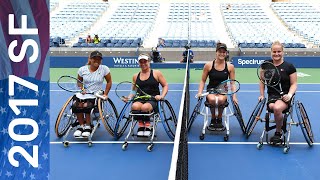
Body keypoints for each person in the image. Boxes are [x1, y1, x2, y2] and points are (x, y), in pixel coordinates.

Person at [258, 41, 297, 144]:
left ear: (283, 52)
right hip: (272, 96)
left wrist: (289, 95)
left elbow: (294, 84)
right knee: (274, 107)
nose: (276, 54)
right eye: (274, 51)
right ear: (271, 52)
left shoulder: (289, 67)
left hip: (285, 96)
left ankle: (278, 132)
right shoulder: (266, 65)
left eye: (279, 51)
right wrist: (262, 95)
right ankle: (279, 124)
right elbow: (262, 81)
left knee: (277, 108)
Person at [197, 42, 238, 131]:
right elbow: (203, 80)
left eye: (224, 52)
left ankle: (219, 119)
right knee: (212, 100)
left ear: (226, 53)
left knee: (220, 100)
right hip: (211, 90)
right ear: (216, 52)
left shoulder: (230, 67)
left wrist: (234, 96)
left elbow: (232, 83)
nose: (221, 54)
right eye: (220, 51)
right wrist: (200, 92)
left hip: (223, 90)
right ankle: (213, 118)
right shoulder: (208, 65)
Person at [127, 53, 168, 136]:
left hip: (153, 99)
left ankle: (148, 125)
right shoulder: (135, 76)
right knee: (135, 106)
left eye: (145, 61)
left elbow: (165, 85)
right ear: (138, 63)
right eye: (141, 62)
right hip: (140, 99)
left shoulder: (156, 73)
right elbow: (133, 91)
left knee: (145, 107)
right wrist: (129, 97)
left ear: (149, 62)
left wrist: (161, 96)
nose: (143, 64)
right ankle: (141, 125)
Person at [73, 50, 112, 137]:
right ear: (90, 59)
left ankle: (88, 126)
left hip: (96, 94)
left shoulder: (104, 69)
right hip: (84, 93)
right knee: (77, 105)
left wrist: (105, 94)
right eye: (94, 59)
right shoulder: (82, 69)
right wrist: (82, 88)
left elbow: (109, 81)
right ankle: (81, 125)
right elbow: (79, 82)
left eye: (99, 59)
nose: (97, 61)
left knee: (86, 105)